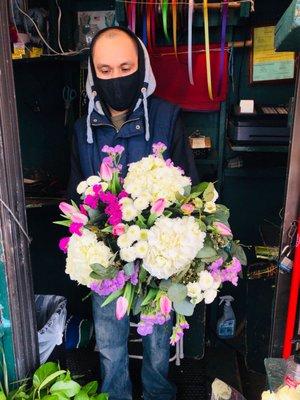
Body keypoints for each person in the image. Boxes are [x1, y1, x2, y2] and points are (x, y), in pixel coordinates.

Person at [68, 26, 198, 400]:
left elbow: (188, 188)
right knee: (109, 338)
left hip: (158, 256)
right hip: (108, 259)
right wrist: (93, 242)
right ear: (93, 75)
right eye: (105, 71)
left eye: (125, 67)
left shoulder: (167, 117)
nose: (116, 79)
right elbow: (75, 196)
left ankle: (158, 393)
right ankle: (116, 394)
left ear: (142, 69)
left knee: (159, 338)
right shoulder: (82, 130)